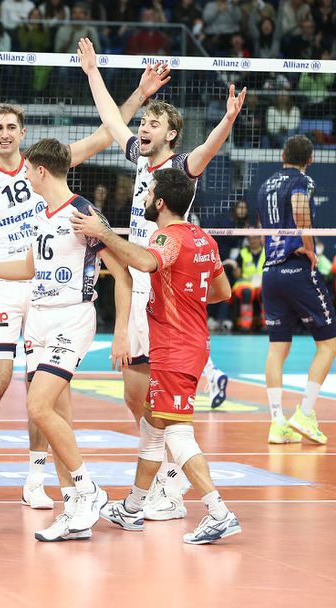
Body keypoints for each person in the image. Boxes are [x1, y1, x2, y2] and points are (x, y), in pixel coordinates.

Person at [0, 63, 170, 511]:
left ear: (23, 133)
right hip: (4, 282)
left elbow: (107, 135)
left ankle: (38, 478)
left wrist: (140, 93)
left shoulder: (47, 165)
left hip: (47, 289)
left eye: (11, 127)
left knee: (44, 389)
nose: (5, 134)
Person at [76, 36, 243, 531]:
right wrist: (93, 72)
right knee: (137, 398)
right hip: (140, 276)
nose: (143, 128)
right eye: (144, 122)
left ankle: (169, 487)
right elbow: (112, 120)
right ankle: (154, 488)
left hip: (162, 277)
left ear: (171, 135)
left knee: (161, 403)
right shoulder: (139, 159)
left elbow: (206, 151)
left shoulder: (178, 171)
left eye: (152, 123)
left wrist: (227, 121)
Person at [0, 137, 133, 542]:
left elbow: (123, 274)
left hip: (71, 318)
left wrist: (120, 332)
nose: (24, 175)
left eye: (28, 170)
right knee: (56, 414)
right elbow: (28, 268)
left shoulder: (83, 213)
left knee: (37, 405)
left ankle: (88, 490)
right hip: (40, 321)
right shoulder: (42, 214)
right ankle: (73, 508)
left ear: (41, 171)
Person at [71, 167, 242, 545]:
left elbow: (147, 262)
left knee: (178, 433)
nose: (145, 199)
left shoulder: (167, 236)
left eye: (149, 195)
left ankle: (219, 513)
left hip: (175, 348)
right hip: (190, 343)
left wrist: (104, 233)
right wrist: (184, 296)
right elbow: (223, 292)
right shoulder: (204, 238)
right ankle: (132, 507)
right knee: (152, 428)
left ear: (161, 202)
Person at [256, 135, 336, 446]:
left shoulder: (265, 186)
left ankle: (277, 422)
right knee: (329, 346)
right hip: (296, 267)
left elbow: (263, 227)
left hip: (270, 271)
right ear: (310, 159)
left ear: (282, 155)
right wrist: (310, 247)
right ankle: (304, 414)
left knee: (277, 349)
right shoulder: (302, 181)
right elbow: (300, 208)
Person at [232, 235, 266, 332]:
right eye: (249, 239)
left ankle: (267, 324)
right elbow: (237, 274)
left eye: (254, 238)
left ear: (260, 239)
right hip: (246, 284)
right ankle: (245, 325)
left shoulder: (267, 251)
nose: (252, 241)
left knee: (265, 292)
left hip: (263, 283)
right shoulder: (242, 252)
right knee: (247, 292)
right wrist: (235, 269)